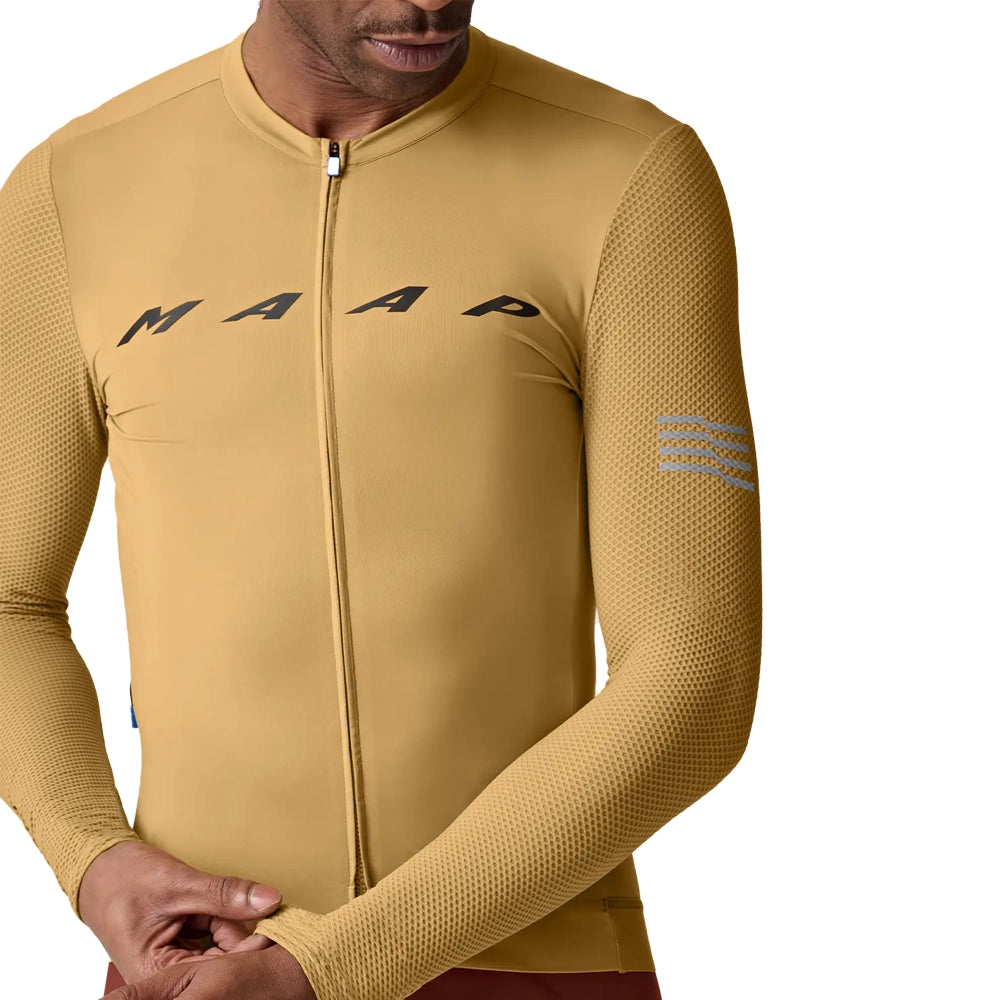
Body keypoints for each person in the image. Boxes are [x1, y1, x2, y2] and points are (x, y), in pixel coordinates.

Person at [0, 1, 762, 998]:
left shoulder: (626, 171)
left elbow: (695, 669)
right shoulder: (74, 190)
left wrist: (333, 967)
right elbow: (8, 599)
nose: (428, 2)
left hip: (528, 963)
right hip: (198, 968)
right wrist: (93, 859)